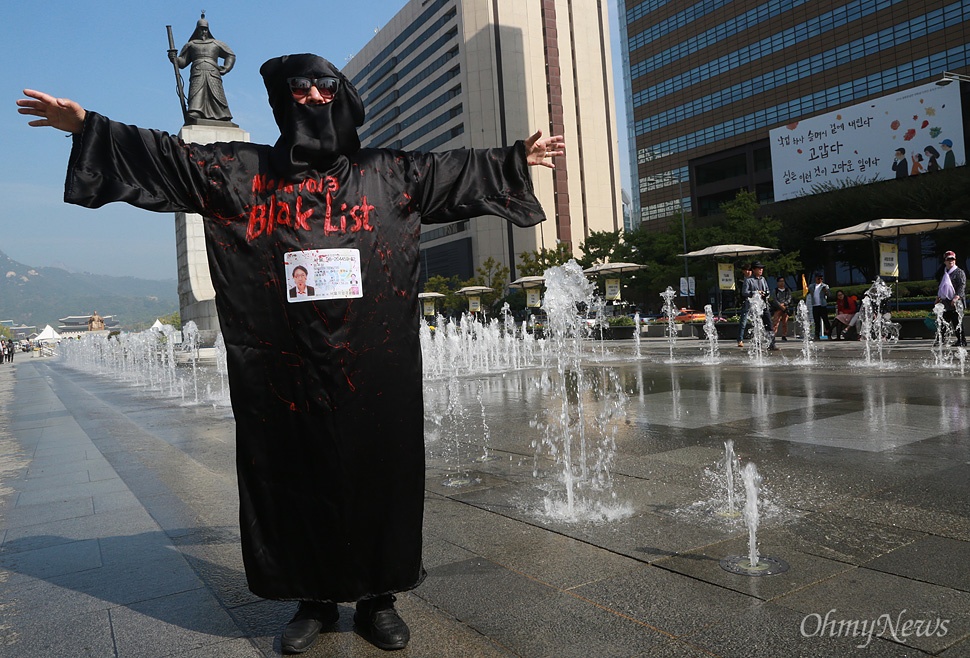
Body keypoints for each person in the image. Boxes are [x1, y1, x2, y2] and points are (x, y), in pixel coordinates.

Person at [18, 53, 564, 655]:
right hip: (285, 366)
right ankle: (314, 601)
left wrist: (515, 160)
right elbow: (168, 157)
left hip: (373, 363)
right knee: (296, 475)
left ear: (342, 95)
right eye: (297, 88)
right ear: (280, 101)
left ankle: (379, 598)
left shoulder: (389, 174)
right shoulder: (242, 173)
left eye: (323, 86)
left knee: (379, 472)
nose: (311, 97)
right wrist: (88, 126)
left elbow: (453, 171)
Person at [170, 14, 235, 122]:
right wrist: (174, 59)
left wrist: (227, 67)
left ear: (208, 30)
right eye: (201, 29)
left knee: (216, 93)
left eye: (205, 29)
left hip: (213, 71)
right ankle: (195, 112)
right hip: (197, 71)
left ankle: (221, 114)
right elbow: (182, 63)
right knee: (197, 92)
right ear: (197, 30)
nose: (203, 32)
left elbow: (230, 55)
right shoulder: (191, 45)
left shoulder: (216, 44)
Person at [740, 262, 777, 351]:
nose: (761, 270)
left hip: (764, 305)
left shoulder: (763, 279)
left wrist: (765, 293)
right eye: (759, 268)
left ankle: (772, 344)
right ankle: (757, 345)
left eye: (762, 268)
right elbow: (744, 292)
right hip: (755, 306)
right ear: (753, 270)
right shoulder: (749, 280)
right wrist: (755, 293)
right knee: (756, 325)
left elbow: (767, 290)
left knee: (769, 325)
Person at [935, 250, 967, 347]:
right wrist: (938, 297)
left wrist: (956, 297)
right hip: (946, 302)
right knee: (943, 321)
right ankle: (940, 339)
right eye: (948, 259)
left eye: (952, 259)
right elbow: (941, 287)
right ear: (945, 261)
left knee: (957, 321)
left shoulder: (959, 272)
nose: (951, 261)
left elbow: (962, 286)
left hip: (956, 302)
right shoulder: (944, 272)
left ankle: (962, 340)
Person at [807, 272, 830, 340]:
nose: (820, 280)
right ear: (816, 278)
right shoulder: (811, 286)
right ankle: (817, 335)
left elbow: (829, 294)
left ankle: (829, 334)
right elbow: (809, 291)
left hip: (822, 305)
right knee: (816, 321)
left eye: (821, 278)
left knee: (825, 320)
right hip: (815, 305)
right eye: (818, 278)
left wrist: (826, 291)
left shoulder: (825, 286)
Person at [770, 276, 792, 341]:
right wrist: (780, 305)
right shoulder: (775, 291)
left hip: (785, 308)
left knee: (785, 322)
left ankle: (784, 335)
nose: (782, 283)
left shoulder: (787, 290)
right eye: (780, 281)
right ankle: (773, 335)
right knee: (776, 322)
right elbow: (775, 299)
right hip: (777, 308)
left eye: (783, 281)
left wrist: (784, 304)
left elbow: (789, 298)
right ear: (777, 282)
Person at [736, 263, 752, 347]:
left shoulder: (754, 279)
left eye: (749, 270)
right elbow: (741, 293)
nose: (748, 272)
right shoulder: (741, 280)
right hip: (745, 302)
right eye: (746, 270)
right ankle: (740, 339)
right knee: (743, 322)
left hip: (754, 301)